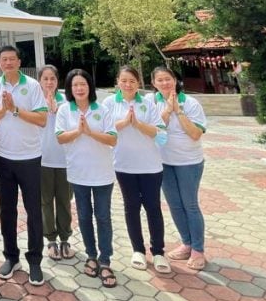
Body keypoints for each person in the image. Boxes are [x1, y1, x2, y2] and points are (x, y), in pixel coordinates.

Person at [0, 45, 48, 285]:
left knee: (33, 211)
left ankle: (34, 260)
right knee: (7, 210)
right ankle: (11, 257)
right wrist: (4, 108)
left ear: (19, 62)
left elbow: (42, 119)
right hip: (3, 157)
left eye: (12, 59)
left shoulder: (32, 86)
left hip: (30, 158)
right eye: (4, 60)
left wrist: (16, 109)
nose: (8, 63)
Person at [103, 65, 170, 274]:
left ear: (138, 83)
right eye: (124, 81)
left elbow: (161, 133)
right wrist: (123, 123)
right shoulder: (108, 103)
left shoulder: (148, 103)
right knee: (131, 207)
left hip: (150, 165)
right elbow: (103, 130)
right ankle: (137, 249)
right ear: (117, 82)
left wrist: (139, 124)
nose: (128, 85)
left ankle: (158, 251)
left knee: (153, 207)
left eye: (132, 81)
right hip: (124, 164)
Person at [56, 69, 118, 287]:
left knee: (103, 216)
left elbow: (112, 139)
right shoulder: (65, 110)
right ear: (70, 89)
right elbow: (61, 138)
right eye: (75, 85)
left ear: (90, 86)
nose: (79, 89)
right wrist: (79, 132)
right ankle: (91, 255)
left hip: (102, 173)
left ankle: (105, 259)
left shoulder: (102, 109)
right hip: (78, 173)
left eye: (83, 84)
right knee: (83, 215)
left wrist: (90, 132)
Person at [152, 66, 208, 270]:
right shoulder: (152, 103)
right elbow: (155, 129)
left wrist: (178, 110)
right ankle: (186, 243)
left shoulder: (191, 103)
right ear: (154, 84)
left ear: (175, 80)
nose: (164, 83)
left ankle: (198, 250)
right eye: (160, 80)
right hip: (164, 162)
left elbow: (195, 134)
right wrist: (167, 110)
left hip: (189, 162)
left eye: (168, 79)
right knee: (174, 204)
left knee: (190, 205)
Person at [38, 65, 74, 263]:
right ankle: (50, 239)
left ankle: (65, 238)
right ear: (40, 81)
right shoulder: (35, 101)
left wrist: (57, 110)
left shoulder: (68, 102)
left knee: (64, 201)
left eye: (52, 78)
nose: (49, 82)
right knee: (44, 201)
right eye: (45, 79)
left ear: (57, 81)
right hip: (42, 159)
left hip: (65, 160)